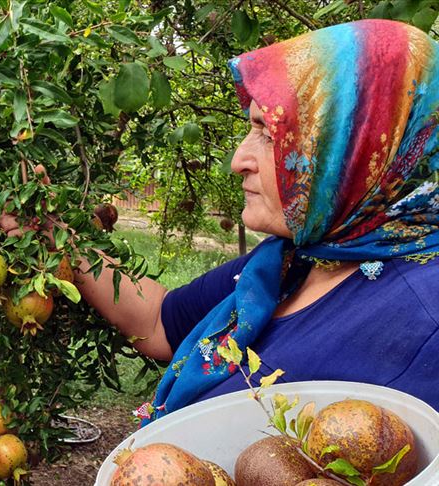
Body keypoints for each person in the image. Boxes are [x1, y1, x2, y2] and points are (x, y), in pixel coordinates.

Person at [74, 18, 439, 422]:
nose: (238, 161)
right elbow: (159, 320)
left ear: (353, 148)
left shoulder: (424, 317)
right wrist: (54, 232)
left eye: (269, 134)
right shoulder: (290, 261)